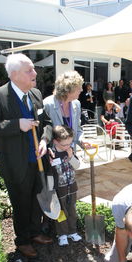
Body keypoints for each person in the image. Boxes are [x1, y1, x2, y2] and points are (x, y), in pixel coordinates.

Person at [0, 53, 53, 258]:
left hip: (38, 161)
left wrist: (44, 140)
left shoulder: (35, 94)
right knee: (21, 203)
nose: (35, 73)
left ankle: (34, 233)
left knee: (36, 200)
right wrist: (18, 125)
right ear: (14, 75)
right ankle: (22, 241)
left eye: (34, 69)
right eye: (30, 70)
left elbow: (47, 123)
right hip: (15, 163)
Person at [43, 71, 92, 234]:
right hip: (53, 155)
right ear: (68, 90)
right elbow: (45, 130)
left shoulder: (76, 105)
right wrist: (49, 148)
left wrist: (82, 140)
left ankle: (68, 227)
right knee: (53, 189)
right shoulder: (48, 104)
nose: (81, 91)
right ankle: (50, 222)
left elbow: (77, 130)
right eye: (78, 88)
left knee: (68, 190)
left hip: (69, 155)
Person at [48, 125, 82, 246]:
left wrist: (71, 156)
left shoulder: (70, 151)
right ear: (55, 141)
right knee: (61, 213)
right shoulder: (52, 155)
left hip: (72, 189)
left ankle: (72, 232)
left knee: (72, 211)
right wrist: (50, 191)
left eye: (70, 143)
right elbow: (49, 174)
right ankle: (62, 234)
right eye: (64, 144)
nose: (67, 146)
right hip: (59, 191)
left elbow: (77, 166)